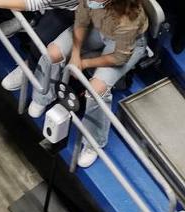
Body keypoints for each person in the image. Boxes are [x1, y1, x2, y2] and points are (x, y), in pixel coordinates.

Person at [26, 0, 147, 168]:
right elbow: (81, 20)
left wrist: (84, 63)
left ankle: (93, 143)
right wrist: (75, 54)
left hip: (121, 44)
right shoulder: (93, 2)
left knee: (96, 90)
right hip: (96, 29)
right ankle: (42, 96)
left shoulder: (129, 19)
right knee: (53, 53)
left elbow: (119, 57)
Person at [0, 0, 79, 92]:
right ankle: (30, 17)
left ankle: (31, 65)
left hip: (71, 9)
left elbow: (35, 2)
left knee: (43, 37)